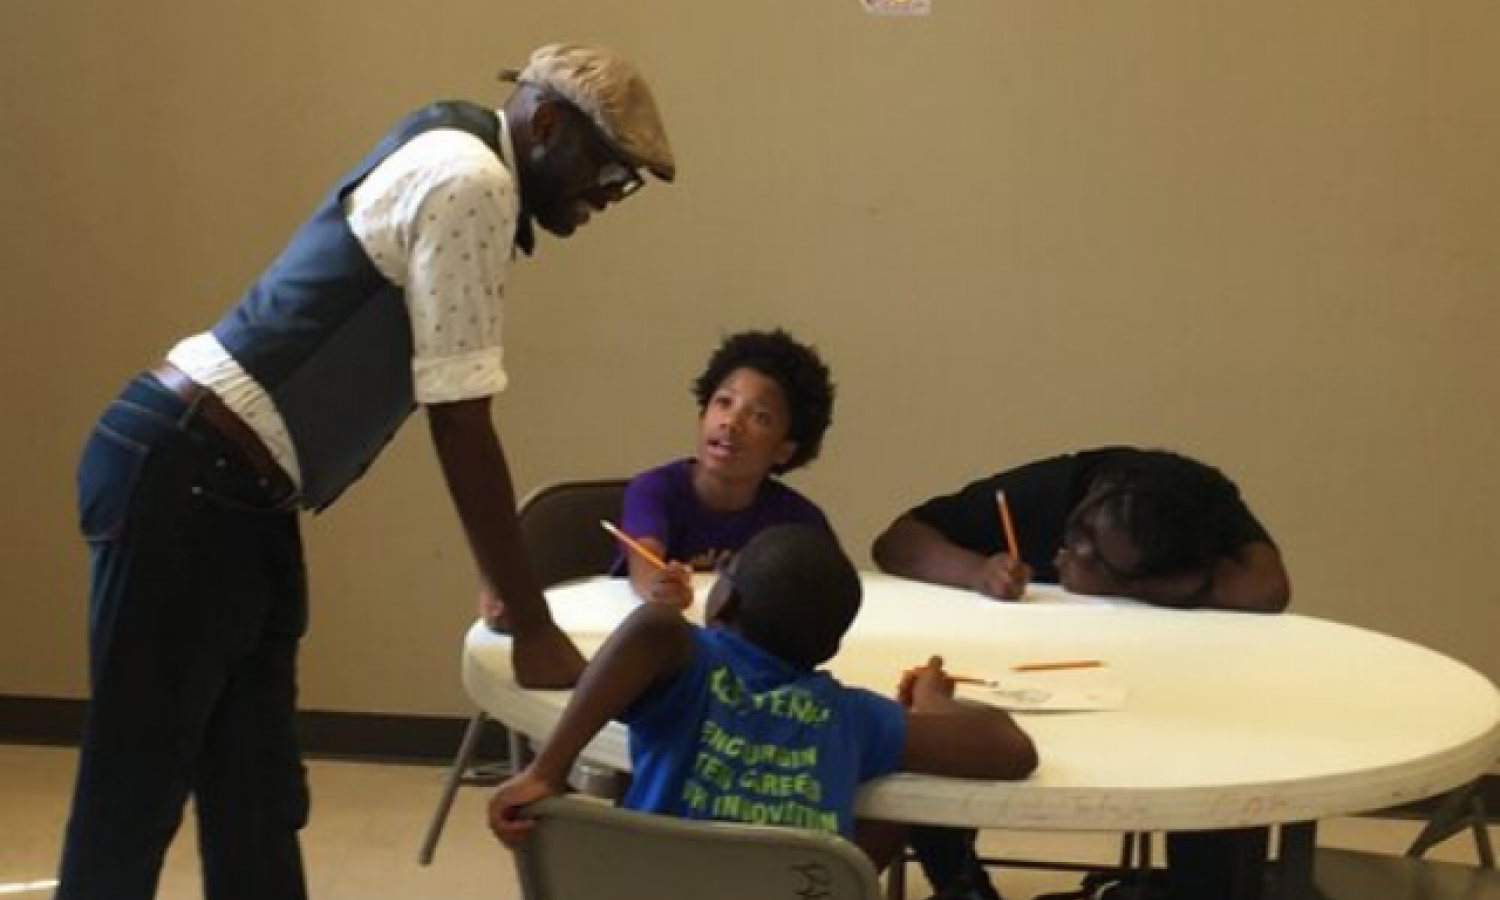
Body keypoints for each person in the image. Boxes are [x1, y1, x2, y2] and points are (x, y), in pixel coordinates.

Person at [58, 43, 673, 900]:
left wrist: (505, 583)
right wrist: (529, 620)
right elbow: (459, 420)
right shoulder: (474, 181)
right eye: (607, 170)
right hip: (187, 474)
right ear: (545, 124)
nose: (608, 197)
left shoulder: (460, 154)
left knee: (259, 798)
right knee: (132, 798)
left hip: (233, 490)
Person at [872, 446, 1291, 900]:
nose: (1073, 549)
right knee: (935, 725)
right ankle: (959, 883)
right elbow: (896, 543)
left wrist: (1128, 587)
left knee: (1223, 759)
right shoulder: (1065, 485)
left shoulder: (1201, 506)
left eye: (1100, 559)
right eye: (1082, 528)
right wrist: (978, 571)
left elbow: (1267, 588)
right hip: (1011, 680)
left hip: (1162, 695)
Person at [488, 524, 1038, 869]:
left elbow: (652, 629)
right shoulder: (852, 716)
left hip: (649, 885)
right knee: (877, 816)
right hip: (780, 888)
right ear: (829, 647)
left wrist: (547, 769)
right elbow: (1010, 749)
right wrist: (930, 701)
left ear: (723, 599)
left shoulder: (688, 668)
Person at [615, 328, 836, 609]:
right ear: (702, 415)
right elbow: (644, 564)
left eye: (760, 417)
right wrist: (660, 586)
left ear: (784, 450)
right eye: (724, 402)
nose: (731, 422)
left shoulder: (799, 522)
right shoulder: (654, 490)